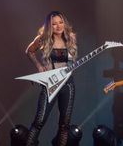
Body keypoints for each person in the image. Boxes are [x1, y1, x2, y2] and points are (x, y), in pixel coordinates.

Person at [25, 11, 77, 146]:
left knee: (64, 125)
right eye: (54, 24)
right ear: (49, 26)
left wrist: (70, 66)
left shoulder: (70, 38)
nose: (58, 26)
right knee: (39, 121)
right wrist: (39, 66)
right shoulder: (42, 39)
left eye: (61, 22)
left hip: (67, 85)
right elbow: (29, 51)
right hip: (50, 84)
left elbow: (72, 62)